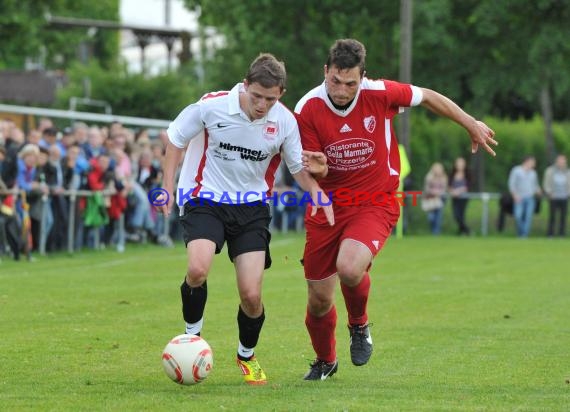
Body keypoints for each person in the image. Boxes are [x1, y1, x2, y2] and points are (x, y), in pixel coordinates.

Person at [294, 38, 497, 380]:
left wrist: (470, 123)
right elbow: (316, 170)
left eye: (351, 83)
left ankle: (359, 324)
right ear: (325, 71)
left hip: (375, 201)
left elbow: (429, 97)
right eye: (335, 81)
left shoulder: (380, 93)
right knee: (318, 300)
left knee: (349, 267)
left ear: (363, 77)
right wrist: (318, 170)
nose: (342, 91)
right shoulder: (307, 108)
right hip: (327, 205)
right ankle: (326, 361)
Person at [158, 53, 334, 385]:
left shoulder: (284, 121)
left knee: (251, 296)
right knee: (197, 269)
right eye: (256, 96)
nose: (262, 104)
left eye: (271, 98)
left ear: (281, 92)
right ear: (246, 84)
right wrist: (167, 188)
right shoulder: (212, 106)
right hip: (205, 198)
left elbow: (297, 168)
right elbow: (176, 140)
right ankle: (191, 338)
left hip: (252, 208)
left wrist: (317, 192)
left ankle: (246, 356)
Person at [508, 156, 541, 238]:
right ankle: (521, 233)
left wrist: (538, 190)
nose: (534, 164)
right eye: (533, 162)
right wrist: (514, 195)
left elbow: (535, 186)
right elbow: (511, 184)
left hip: (530, 198)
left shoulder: (533, 173)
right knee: (518, 216)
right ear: (527, 161)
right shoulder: (516, 170)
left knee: (528, 217)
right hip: (519, 198)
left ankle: (524, 236)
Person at [542, 154, 570, 237]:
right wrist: (549, 192)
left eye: (563, 161)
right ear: (557, 162)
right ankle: (550, 234)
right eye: (560, 161)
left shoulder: (568, 172)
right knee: (552, 216)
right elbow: (546, 183)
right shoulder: (550, 171)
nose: (561, 163)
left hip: (564, 197)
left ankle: (561, 234)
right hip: (553, 197)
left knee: (563, 217)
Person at [422, 162, 448, 235]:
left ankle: (436, 233)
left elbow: (445, 189)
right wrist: (433, 192)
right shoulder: (429, 177)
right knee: (431, 218)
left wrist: (439, 193)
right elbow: (426, 189)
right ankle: (433, 230)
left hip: (439, 201)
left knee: (438, 218)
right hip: (430, 200)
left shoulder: (444, 178)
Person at [449, 157, 471, 235]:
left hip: (464, 198)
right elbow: (449, 185)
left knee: (461, 215)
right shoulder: (452, 174)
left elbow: (468, 186)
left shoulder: (467, 174)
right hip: (455, 198)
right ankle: (465, 231)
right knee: (456, 215)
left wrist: (458, 191)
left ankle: (463, 231)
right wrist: (452, 192)